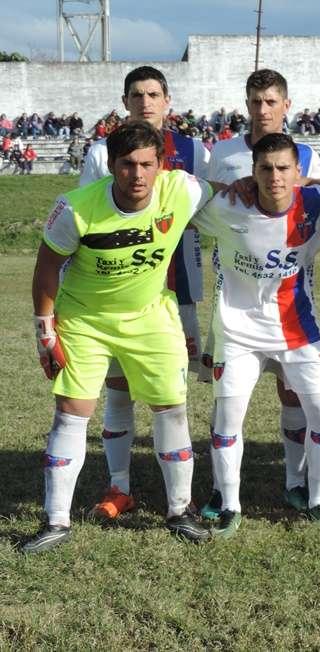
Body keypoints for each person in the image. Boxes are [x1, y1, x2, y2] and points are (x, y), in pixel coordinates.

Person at [23, 123, 214, 553]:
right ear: (110, 165)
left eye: (147, 164)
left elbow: (224, 193)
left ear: (161, 164)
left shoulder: (181, 189)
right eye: (127, 164)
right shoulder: (75, 207)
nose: (138, 174)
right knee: (72, 412)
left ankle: (179, 511)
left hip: (150, 316)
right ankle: (55, 520)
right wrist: (45, 333)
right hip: (85, 320)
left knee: (171, 408)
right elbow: (46, 267)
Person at [190, 133, 320, 537]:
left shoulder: (317, 202)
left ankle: (317, 502)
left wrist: (317, 183)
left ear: (297, 171)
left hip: (298, 331)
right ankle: (230, 506)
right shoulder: (228, 206)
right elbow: (180, 196)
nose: (274, 177)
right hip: (238, 334)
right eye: (265, 168)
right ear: (252, 171)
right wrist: (220, 186)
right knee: (228, 421)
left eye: (283, 169)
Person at [78, 65, 211, 521]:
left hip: (179, 285)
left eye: (154, 94)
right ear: (125, 102)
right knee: (117, 392)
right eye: (137, 95)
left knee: (171, 393)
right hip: (119, 293)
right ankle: (119, 487)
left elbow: (210, 207)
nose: (145, 102)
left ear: (167, 100)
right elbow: (88, 220)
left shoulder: (194, 150)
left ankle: (180, 493)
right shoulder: (102, 152)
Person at [200, 68, 320, 520]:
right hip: (234, 295)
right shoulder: (224, 151)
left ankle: (296, 482)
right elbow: (203, 198)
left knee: (292, 394)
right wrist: (230, 187)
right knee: (229, 401)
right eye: (255, 101)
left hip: (291, 296)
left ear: (286, 105)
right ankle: (222, 493)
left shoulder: (306, 154)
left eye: (271, 101)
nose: (263, 109)